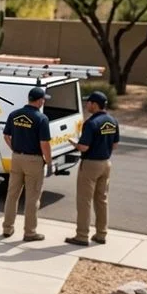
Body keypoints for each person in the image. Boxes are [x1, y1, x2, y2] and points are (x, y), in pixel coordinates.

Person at [65, 91, 120, 246]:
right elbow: (115, 145)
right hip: (106, 164)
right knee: (102, 200)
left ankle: (82, 235)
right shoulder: (112, 121)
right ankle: (101, 234)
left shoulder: (91, 123)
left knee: (84, 201)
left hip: (90, 165)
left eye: (88, 102)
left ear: (94, 104)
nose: (86, 105)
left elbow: (83, 147)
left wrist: (73, 143)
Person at [2, 86, 52, 241]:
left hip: (17, 158)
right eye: (43, 99)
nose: (44, 101)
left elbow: (6, 135)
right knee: (32, 198)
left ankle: (7, 228)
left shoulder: (15, 114)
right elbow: (44, 143)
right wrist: (49, 162)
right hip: (34, 160)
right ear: (39, 101)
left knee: (12, 195)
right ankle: (30, 232)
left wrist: (15, 149)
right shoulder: (41, 119)